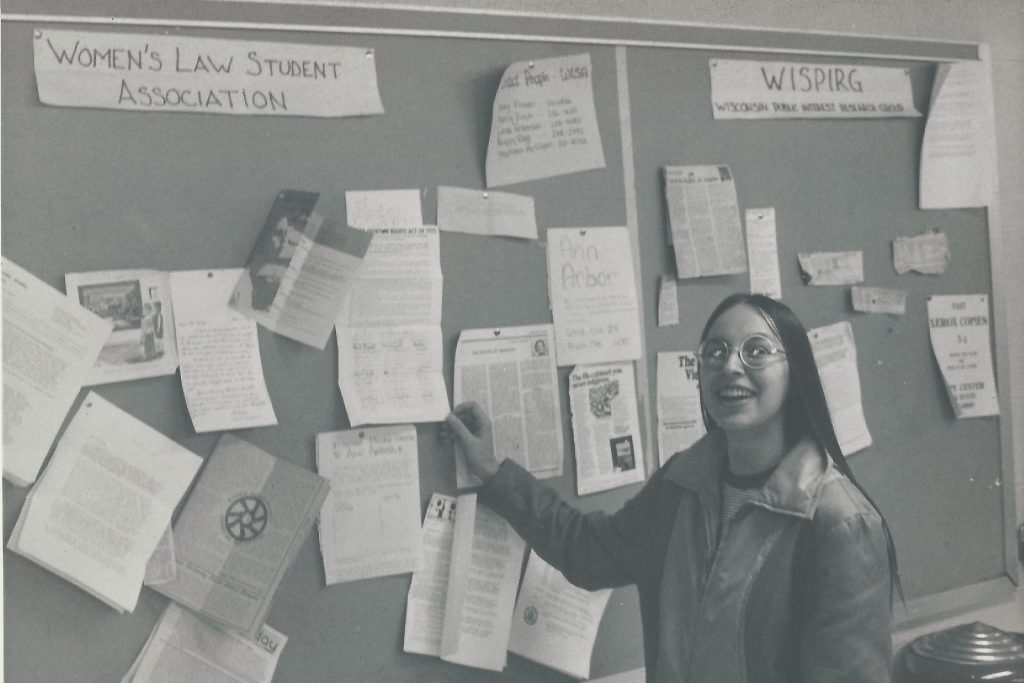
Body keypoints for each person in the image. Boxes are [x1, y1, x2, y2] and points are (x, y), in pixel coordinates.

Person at [442, 293, 899, 683]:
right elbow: (589, 551)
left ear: (794, 371)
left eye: (756, 351)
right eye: (715, 352)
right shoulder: (683, 483)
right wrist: (494, 473)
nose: (730, 367)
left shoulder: (840, 523)